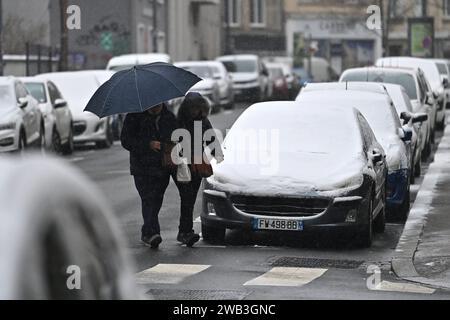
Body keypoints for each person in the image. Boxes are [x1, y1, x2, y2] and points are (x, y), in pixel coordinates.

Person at [121, 103, 177, 249]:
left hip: (162, 167)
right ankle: (152, 233)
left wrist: (169, 144)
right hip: (141, 167)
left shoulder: (169, 117)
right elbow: (126, 141)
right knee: (148, 199)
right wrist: (148, 144)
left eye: (158, 106)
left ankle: (147, 231)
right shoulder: (134, 117)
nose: (156, 108)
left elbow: (176, 138)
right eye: (153, 106)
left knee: (156, 200)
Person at [174, 92, 223, 247]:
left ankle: (184, 231)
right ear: (187, 108)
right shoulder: (178, 122)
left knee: (189, 199)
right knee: (187, 197)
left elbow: (211, 139)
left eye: (199, 108)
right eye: (194, 108)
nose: (197, 111)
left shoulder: (202, 121)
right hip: (181, 163)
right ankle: (185, 231)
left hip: (196, 163)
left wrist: (218, 155)